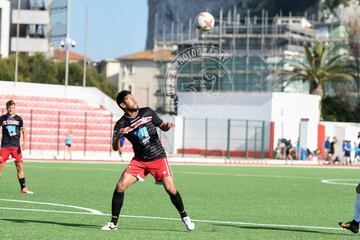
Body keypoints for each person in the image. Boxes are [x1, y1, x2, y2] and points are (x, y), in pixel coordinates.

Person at [101, 90, 195, 231]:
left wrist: (167, 126)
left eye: (133, 97)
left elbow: (162, 126)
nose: (134, 100)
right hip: (139, 161)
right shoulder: (121, 124)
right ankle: (113, 223)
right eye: (130, 99)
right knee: (120, 186)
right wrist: (119, 135)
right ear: (123, 104)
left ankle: (185, 216)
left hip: (158, 157)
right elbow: (115, 147)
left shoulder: (147, 112)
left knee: (170, 188)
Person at [0, 100, 33, 194]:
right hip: (5, 146)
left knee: (20, 167)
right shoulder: (2, 118)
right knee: (0, 167)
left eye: (12, 108)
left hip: (16, 147)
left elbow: (24, 131)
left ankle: (23, 188)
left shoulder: (19, 119)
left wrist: (25, 142)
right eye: (9, 108)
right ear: (6, 108)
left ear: (15, 108)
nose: (11, 109)